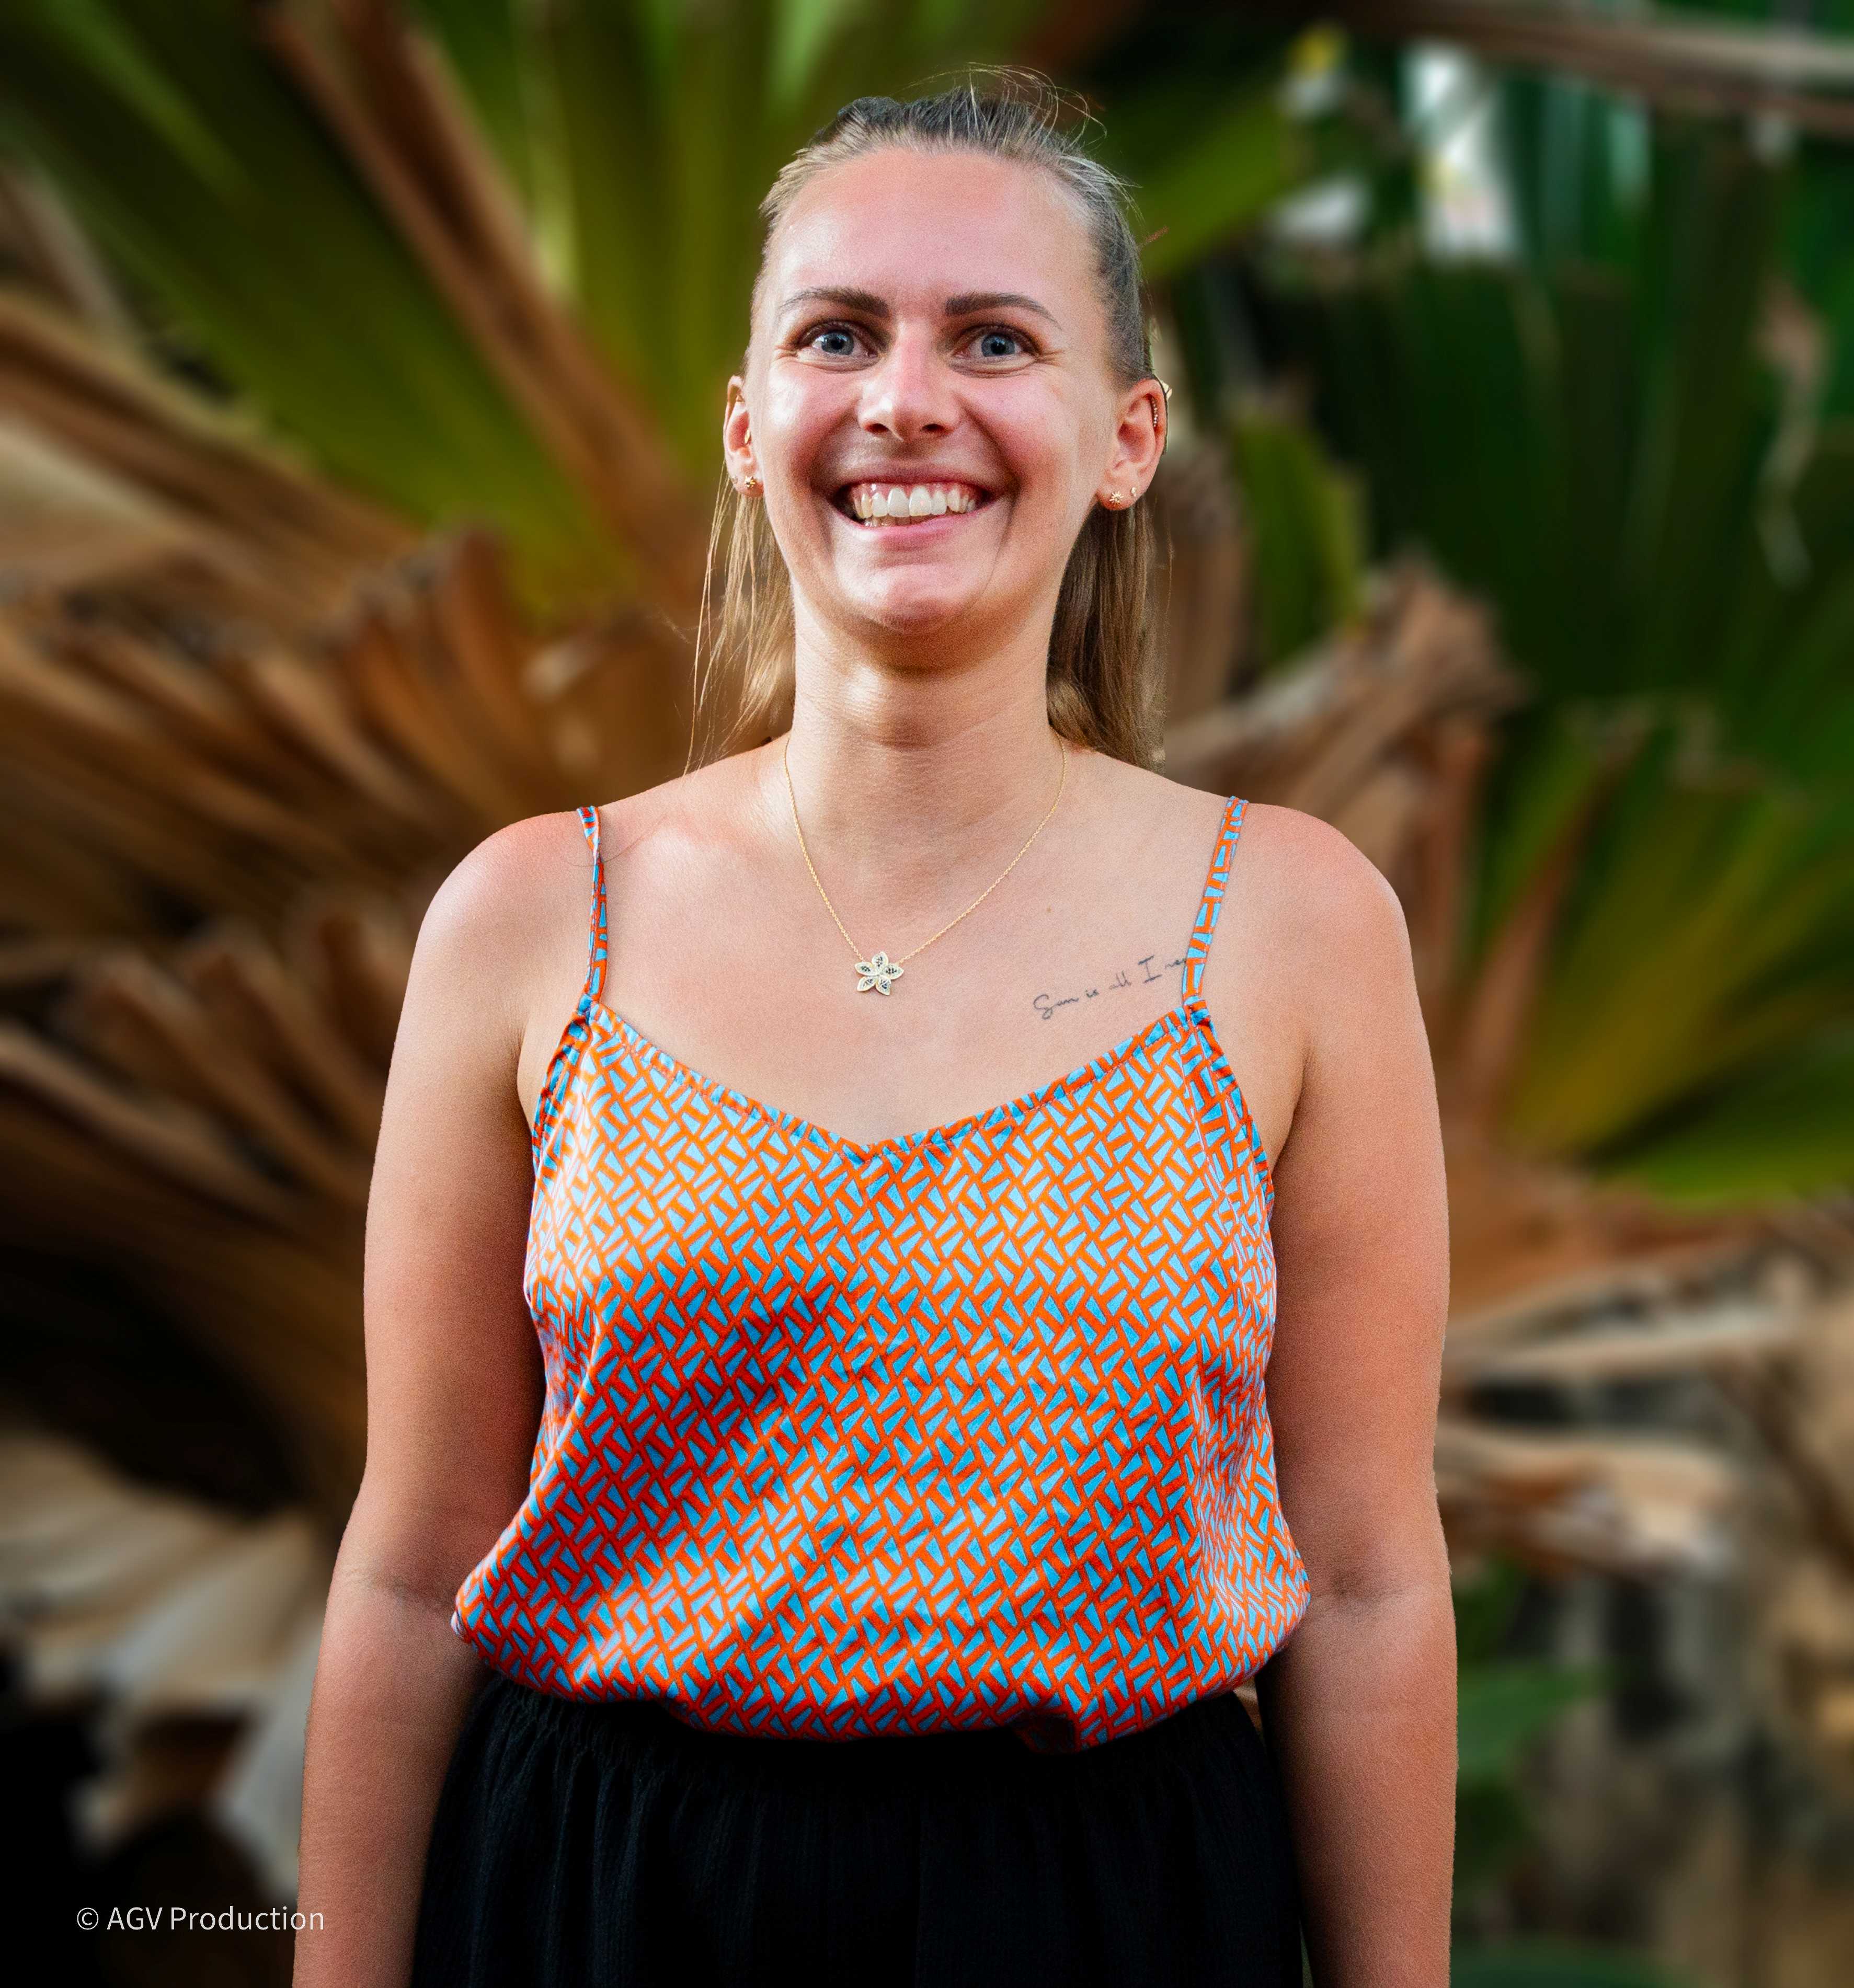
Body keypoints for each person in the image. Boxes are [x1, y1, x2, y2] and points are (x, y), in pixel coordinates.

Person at [293, 71, 1454, 1988]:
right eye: (838, 335)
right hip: (605, 1906)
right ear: (747, 426)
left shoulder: (1289, 922)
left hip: (1114, 1916)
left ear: (1129, 437)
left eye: (992, 340)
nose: (905, 400)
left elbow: (1363, 1578)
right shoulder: (533, 917)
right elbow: (416, 1565)